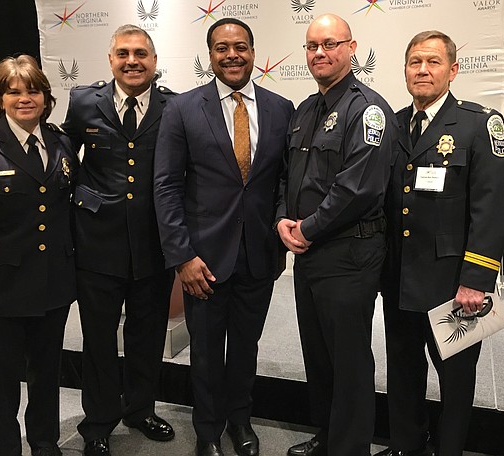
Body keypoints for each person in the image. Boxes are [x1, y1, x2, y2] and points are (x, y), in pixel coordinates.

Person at [153, 18, 293, 456]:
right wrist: (181, 257)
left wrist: (283, 223)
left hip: (258, 256)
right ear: (209, 55)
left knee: (246, 349)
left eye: (240, 47)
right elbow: (166, 185)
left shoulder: (281, 107)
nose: (232, 55)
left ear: (254, 51)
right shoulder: (182, 109)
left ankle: (240, 421)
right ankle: (208, 431)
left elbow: (285, 181)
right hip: (204, 260)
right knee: (208, 353)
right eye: (221, 48)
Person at [377, 30, 504, 456]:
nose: (422, 70)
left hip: (453, 283)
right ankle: (406, 446)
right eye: (415, 61)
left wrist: (476, 279)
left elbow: (492, 210)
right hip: (399, 278)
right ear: (404, 70)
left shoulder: (478, 124)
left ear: (453, 70)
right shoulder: (395, 123)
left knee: (455, 381)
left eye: (433, 62)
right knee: (403, 371)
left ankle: (449, 449)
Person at [276, 14, 396, 456]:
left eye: (329, 44)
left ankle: (349, 448)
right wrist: (282, 221)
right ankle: (327, 436)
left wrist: (307, 227)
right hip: (309, 252)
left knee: (348, 362)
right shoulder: (307, 109)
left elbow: (358, 188)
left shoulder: (368, 110)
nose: (319, 53)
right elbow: (286, 177)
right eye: (311, 46)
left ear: (351, 48)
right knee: (319, 357)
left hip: (350, 254)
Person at [61, 24, 176, 456]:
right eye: (124, 53)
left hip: (153, 244)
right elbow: (65, 158)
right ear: (110, 59)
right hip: (96, 244)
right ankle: (98, 423)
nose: (133, 61)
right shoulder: (83, 102)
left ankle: (141, 409)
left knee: (147, 336)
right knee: (99, 340)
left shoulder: (175, 106)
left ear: (154, 60)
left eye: (141, 53)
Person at [0, 54, 77, 456]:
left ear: (46, 97)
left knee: (47, 375)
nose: (24, 98)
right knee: (0, 384)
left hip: (52, 286)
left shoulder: (61, 142)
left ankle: (45, 443)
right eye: (13, 92)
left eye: (33, 90)